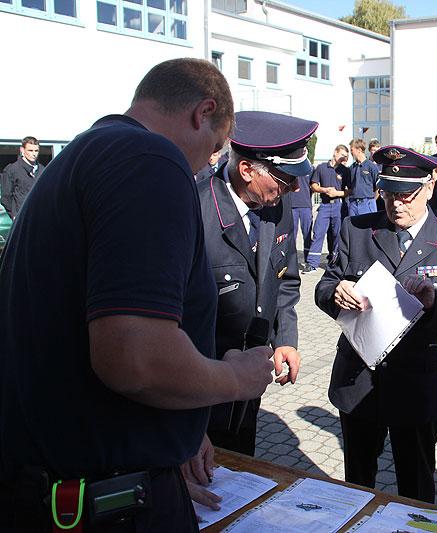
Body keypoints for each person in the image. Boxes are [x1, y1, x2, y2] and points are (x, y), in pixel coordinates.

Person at [0, 58, 274, 531]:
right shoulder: (149, 159)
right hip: (96, 507)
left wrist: (163, 451)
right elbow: (135, 358)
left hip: (68, 488)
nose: (207, 164)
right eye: (213, 148)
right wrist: (236, 377)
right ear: (202, 111)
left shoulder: (84, 155)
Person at [315, 145, 437, 503]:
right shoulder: (357, 229)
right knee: (357, 482)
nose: (396, 204)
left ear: (430, 186)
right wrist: (336, 292)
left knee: (416, 483)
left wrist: (434, 303)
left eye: (406, 195)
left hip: (416, 382)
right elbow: (324, 285)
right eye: (388, 193)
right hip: (360, 379)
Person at [196, 110, 309, 457]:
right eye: (285, 177)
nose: (295, 187)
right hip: (202, 389)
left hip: (250, 383)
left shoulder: (277, 204)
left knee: (242, 467)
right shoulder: (195, 211)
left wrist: (285, 340)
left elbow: (286, 281)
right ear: (247, 170)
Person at [304, 144, 350, 273]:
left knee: (336, 235)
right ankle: (312, 264)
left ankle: (333, 262)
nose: (344, 158)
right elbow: (313, 185)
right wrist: (324, 190)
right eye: (342, 155)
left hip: (338, 205)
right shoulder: (321, 167)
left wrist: (338, 193)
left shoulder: (345, 171)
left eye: (346, 156)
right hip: (324, 205)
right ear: (335, 152)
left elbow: (349, 191)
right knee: (318, 232)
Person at [1, 136, 45, 220]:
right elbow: (5, 197)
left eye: (36, 150)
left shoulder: (42, 170)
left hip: (40, 216)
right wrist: (14, 216)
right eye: (30, 150)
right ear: (22, 150)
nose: (34, 154)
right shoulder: (12, 170)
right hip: (21, 217)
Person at [343, 138, 380, 217]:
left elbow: (378, 188)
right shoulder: (351, 168)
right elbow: (350, 187)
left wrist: (371, 201)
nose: (351, 153)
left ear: (359, 150)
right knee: (353, 228)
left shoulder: (372, 167)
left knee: (368, 228)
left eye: (352, 150)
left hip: (367, 204)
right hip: (353, 204)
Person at [288, 170, 314, 267]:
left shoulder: (310, 169)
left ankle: (308, 261)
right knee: (292, 235)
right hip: (292, 206)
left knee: (307, 235)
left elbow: (313, 186)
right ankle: (291, 261)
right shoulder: (291, 168)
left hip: (305, 206)